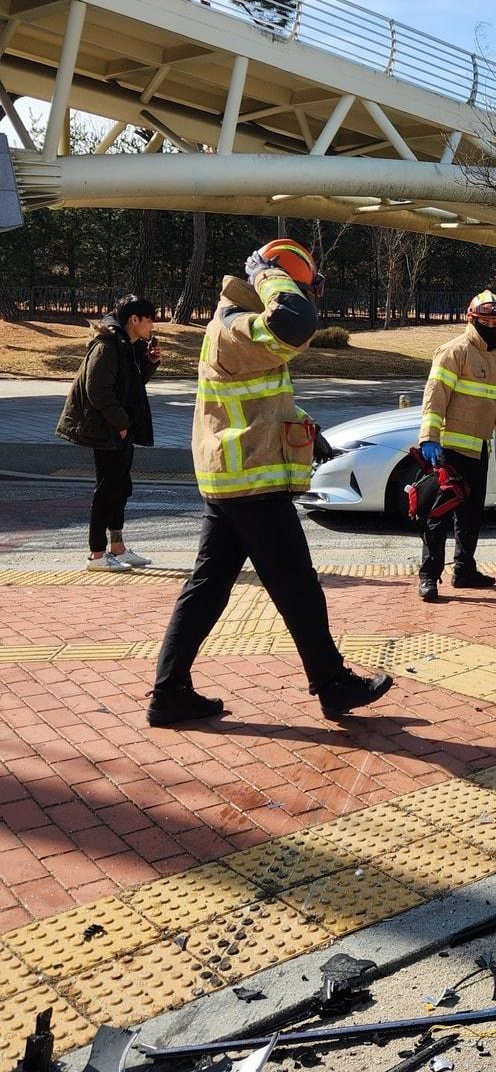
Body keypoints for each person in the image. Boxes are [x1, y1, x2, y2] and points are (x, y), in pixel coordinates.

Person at [149, 238, 393, 727]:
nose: (308, 299)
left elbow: (259, 400)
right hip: (250, 484)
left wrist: (308, 426)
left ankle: (169, 692)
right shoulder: (236, 325)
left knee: (207, 588)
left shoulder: (236, 326)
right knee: (298, 587)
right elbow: (294, 323)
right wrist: (269, 272)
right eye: (301, 287)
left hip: (234, 481)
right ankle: (331, 683)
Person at [415, 289, 496, 603]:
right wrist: (430, 440)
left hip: (479, 450)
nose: (492, 324)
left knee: (471, 515)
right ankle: (428, 577)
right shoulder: (454, 351)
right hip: (449, 450)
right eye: (486, 319)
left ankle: (464, 570)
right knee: (439, 515)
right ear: (472, 319)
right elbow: (435, 398)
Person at [57, 293, 160, 571]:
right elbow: (97, 391)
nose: (153, 325)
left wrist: (149, 362)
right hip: (105, 428)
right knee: (107, 490)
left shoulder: (129, 345)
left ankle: (117, 547)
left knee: (120, 488)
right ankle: (97, 554)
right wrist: (122, 424)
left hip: (119, 428)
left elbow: (132, 382)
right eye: (149, 319)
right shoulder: (108, 346)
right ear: (134, 319)